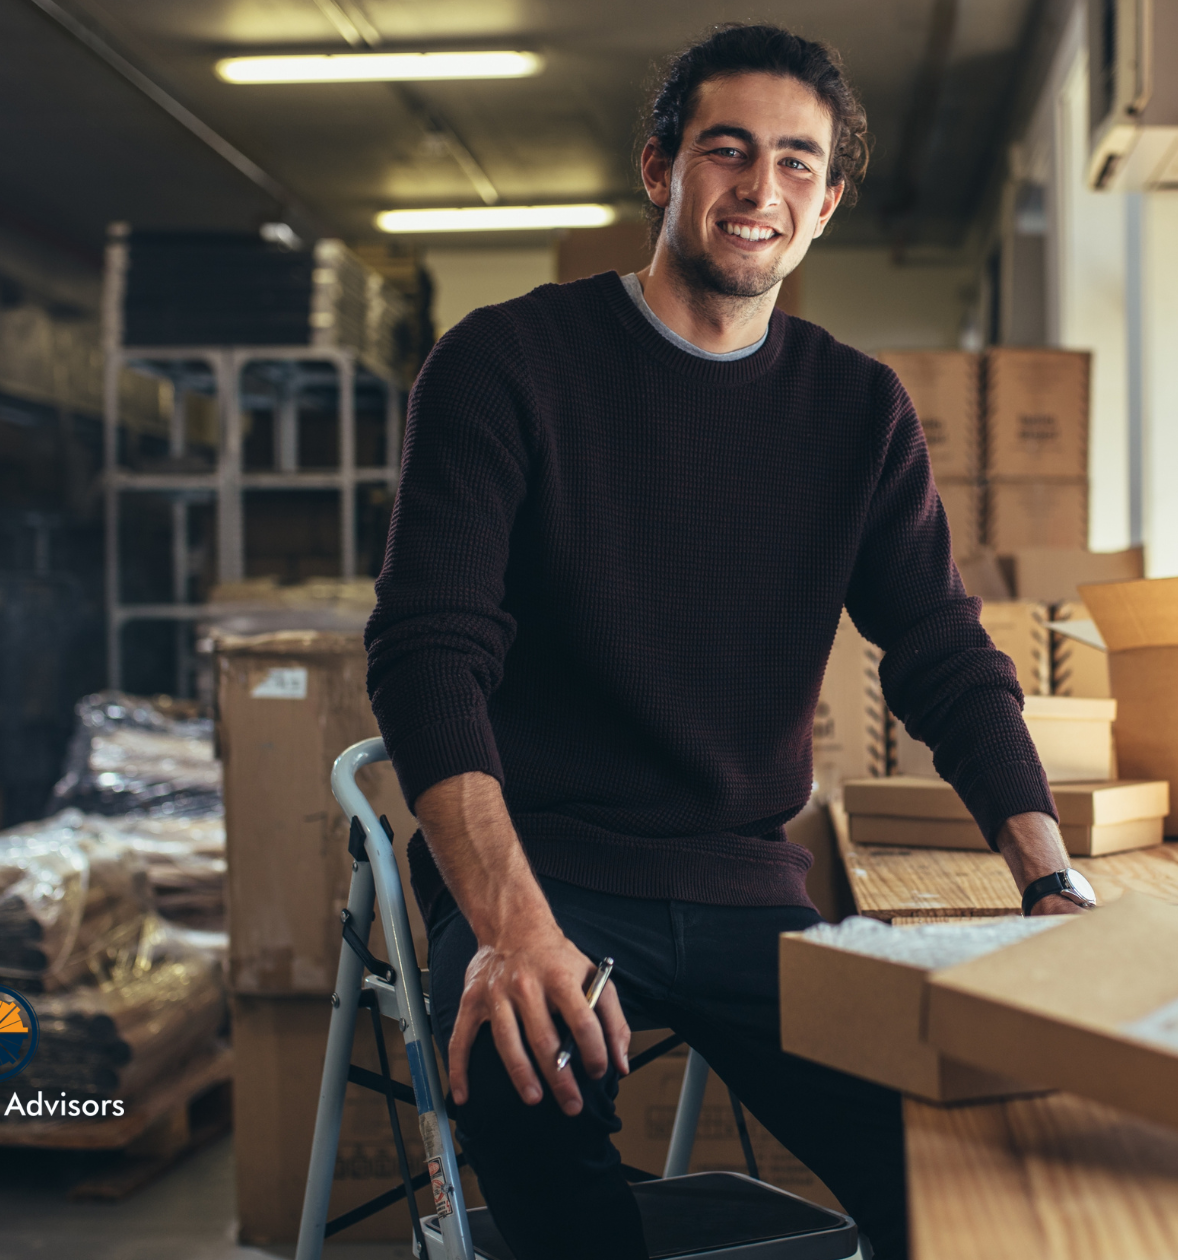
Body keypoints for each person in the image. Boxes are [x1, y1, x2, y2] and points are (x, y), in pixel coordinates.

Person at [365, 22, 1090, 1260]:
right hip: (547, 874)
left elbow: (938, 650)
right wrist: (505, 924)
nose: (760, 191)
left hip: (747, 888)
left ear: (828, 203)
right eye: (728, 151)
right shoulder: (507, 364)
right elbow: (426, 650)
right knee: (523, 1090)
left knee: (959, 1165)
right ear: (660, 169)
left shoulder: (855, 410)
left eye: (797, 164)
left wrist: (1049, 878)